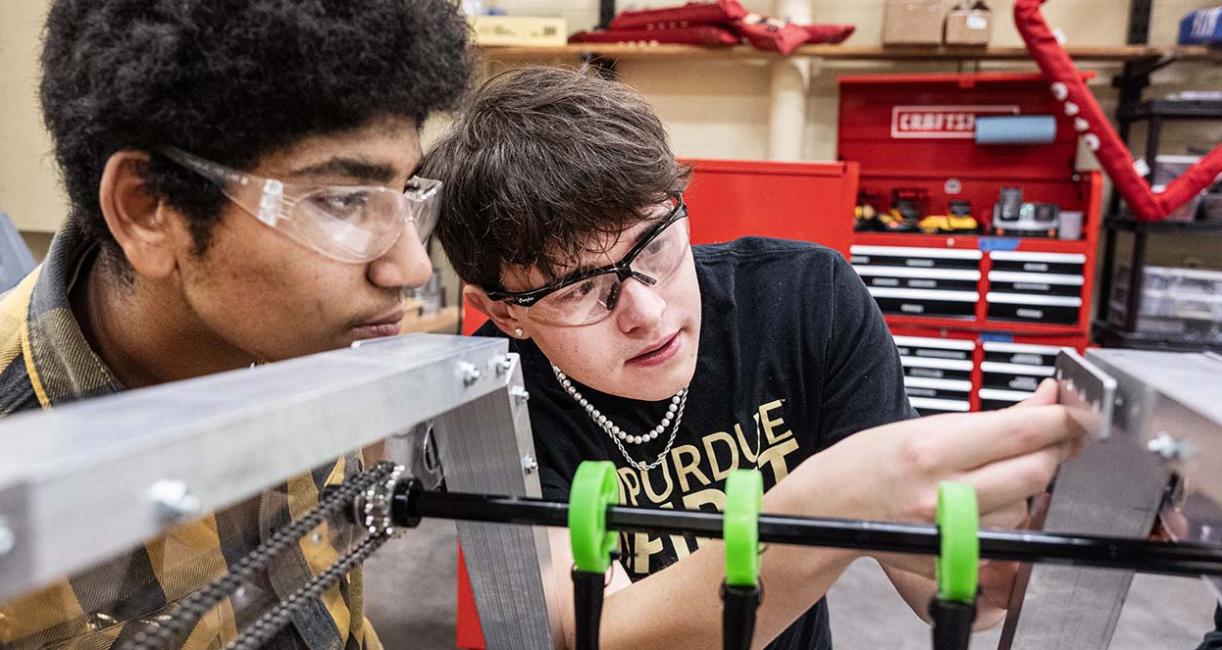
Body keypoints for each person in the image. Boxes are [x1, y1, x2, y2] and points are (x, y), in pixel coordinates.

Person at [422, 66, 1085, 649]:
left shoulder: (806, 300)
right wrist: (822, 509)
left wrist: (1002, 564)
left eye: (655, 244)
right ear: (505, 311)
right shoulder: (494, 398)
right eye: (581, 289)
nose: (647, 313)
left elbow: (937, 590)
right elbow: (589, 633)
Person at [0, 1, 472, 648]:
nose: (410, 265)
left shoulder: (303, 349)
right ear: (148, 209)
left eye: (405, 193)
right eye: (342, 201)